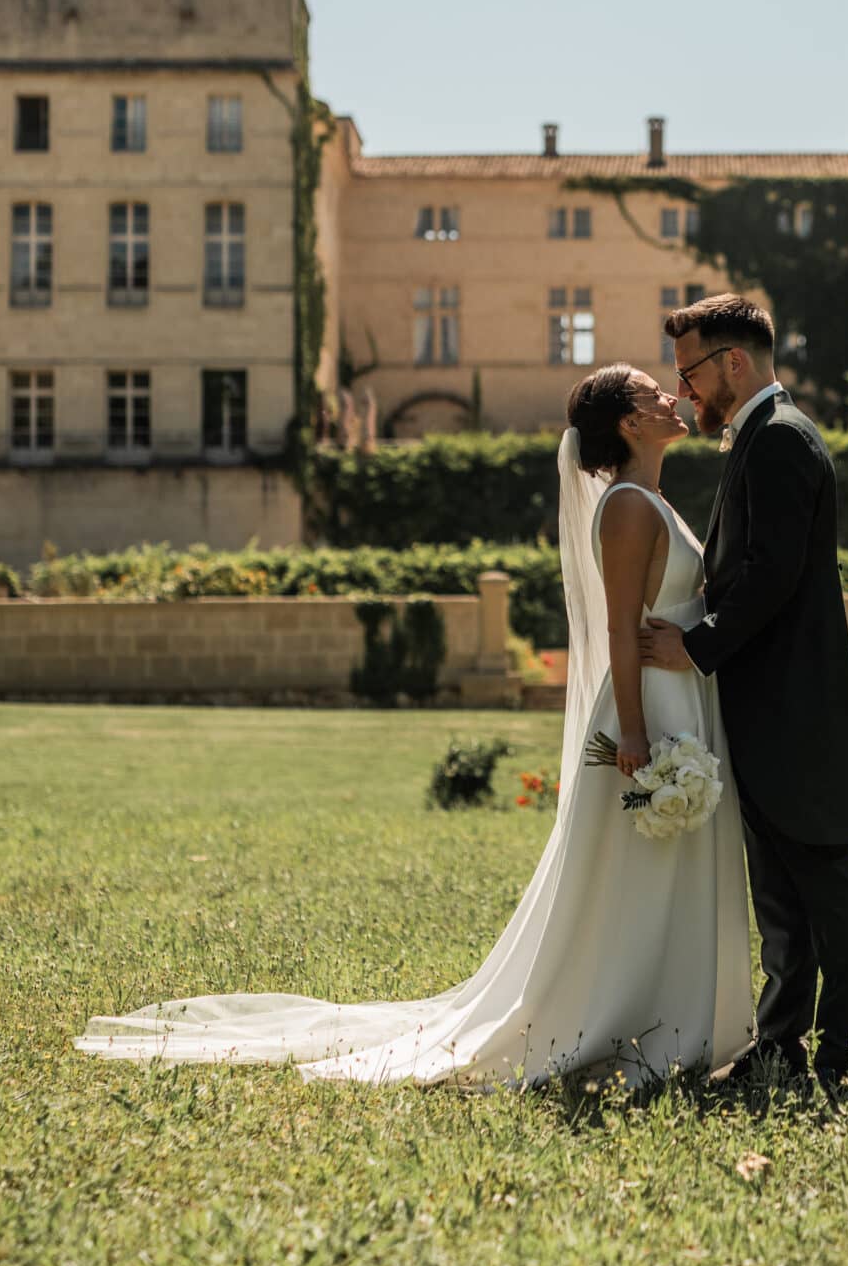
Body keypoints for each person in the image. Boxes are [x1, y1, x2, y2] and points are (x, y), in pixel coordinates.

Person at [73, 365, 750, 1088]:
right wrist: (635, 733)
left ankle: (671, 1015)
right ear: (629, 422)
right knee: (630, 873)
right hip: (646, 706)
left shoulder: (653, 498)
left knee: (666, 867)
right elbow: (618, 628)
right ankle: (618, 1017)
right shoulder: (627, 507)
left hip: (681, 696)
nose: (671, 397)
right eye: (652, 393)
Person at [643, 294, 848, 1092]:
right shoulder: (761, 435)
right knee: (781, 899)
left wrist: (695, 646)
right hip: (770, 707)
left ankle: (844, 1059)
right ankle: (779, 1049)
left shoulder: (780, 438)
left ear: (733, 362)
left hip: (795, 710)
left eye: (691, 372)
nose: (685, 390)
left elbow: (770, 574)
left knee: (826, 892)